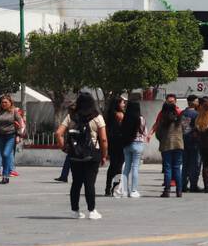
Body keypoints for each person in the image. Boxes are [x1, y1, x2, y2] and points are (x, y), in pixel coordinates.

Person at [55, 91, 108, 219]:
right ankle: (92, 211)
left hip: (74, 154)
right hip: (92, 154)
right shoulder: (97, 117)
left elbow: (58, 133)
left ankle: (75, 211)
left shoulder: (71, 116)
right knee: (90, 183)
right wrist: (104, 155)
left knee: (76, 182)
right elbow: (104, 139)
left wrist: (64, 148)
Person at [0, 94, 23, 185]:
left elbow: (20, 124)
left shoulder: (14, 112)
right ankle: (5, 177)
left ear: (10, 103)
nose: (4, 104)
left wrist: (18, 135)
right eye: (2, 102)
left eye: (6, 102)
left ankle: (6, 174)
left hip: (11, 136)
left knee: (6, 154)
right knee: (2, 154)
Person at [151, 99, 185, 197]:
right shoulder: (179, 119)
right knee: (177, 167)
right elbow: (184, 130)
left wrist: (162, 139)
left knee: (168, 168)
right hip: (178, 145)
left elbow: (158, 134)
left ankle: (167, 190)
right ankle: (179, 191)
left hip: (166, 146)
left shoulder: (163, 120)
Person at [116, 94, 147, 198]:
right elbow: (144, 132)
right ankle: (134, 190)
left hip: (127, 144)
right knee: (135, 167)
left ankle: (124, 190)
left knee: (126, 168)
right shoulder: (141, 119)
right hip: (138, 144)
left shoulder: (126, 118)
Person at [103, 96, 127, 197]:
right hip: (120, 143)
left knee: (112, 166)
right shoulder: (120, 115)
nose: (124, 105)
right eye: (122, 103)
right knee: (118, 167)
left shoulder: (109, 115)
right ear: (118, 104)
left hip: (112, 143)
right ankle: (115, 187)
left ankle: (108, 187)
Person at [178, 94, 203, 193]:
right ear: (192, 102)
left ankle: (183, 184)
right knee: (195, 164)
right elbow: (199, 128)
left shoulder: (182, 113)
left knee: (185, 164)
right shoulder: (196, 114)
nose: (198, 103)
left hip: (183, 140)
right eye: (197, 101)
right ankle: (193, 185)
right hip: (194, 142)